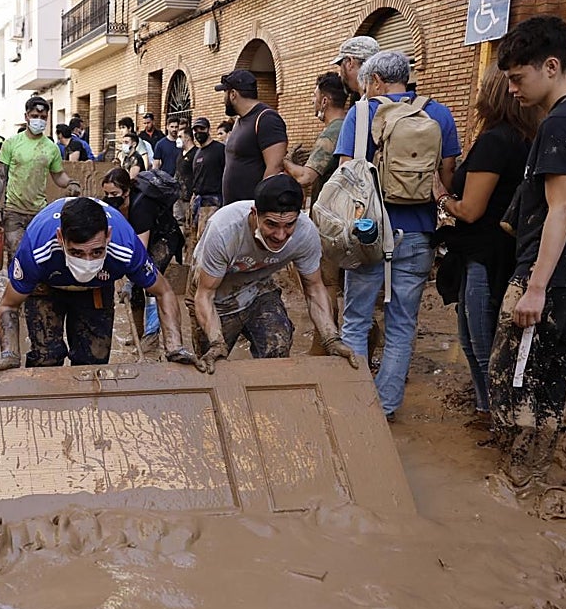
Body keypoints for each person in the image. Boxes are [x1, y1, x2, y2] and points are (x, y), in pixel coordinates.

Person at [488, 15, 566, 487]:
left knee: (517, 376)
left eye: (518, 78)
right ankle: (535, 472)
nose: (513, 89)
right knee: (550, 373)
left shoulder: (561, 123)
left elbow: (561, 209)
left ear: (551, 66)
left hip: (549, 274)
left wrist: (534, 288)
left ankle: (517, 479)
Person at [334, 50, 461, 421]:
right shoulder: (438, 113)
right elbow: (448, 172)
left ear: (374, 81)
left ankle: (355, 407)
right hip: (419, 233)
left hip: (369, 232)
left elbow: (346, 174)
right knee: (402, 324)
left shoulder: (361, 114)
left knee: (356, 320)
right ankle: (385, 408)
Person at [0, 197, 198, 379]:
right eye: (77, 252)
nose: (87, 261)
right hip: (46, 286)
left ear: (109, 236)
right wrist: (9, 355)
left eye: (96, 252)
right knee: (45, 359)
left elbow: (164, 292)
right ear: (60, 238)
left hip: (97, 288)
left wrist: (175, 347)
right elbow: (8, 306)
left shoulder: (126, 247)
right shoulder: (37, 248)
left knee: (93, 362)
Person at [433, 63, 539, 426]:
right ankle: (487, 408)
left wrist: (441, 196)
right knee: (476, 338)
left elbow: (471, 209)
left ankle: (496, 415)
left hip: (483, 255)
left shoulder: (496, 140)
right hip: (499, 252)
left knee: (480, 342)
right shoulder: (524, 137)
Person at [187, 175, 357, 371]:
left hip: (258, 290)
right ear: (254, 213)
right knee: (212, 366)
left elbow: (314, 288)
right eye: (271, 224)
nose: (280, 235)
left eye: (289, 225)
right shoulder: (224, 230)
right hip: (215, 299)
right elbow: (205, 294)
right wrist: (217, 342)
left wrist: (331, 339)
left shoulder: (305, 233)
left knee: (278, 345)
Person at [285, 73, 349, 354]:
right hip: (348, 218)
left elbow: (306, 177)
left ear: (324, 100)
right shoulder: (352, 124)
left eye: (314, 96)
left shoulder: (333, 130)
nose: (312, 101)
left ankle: (324, 345)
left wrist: (283, 162)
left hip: (331, 221)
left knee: (326, 284)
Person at [101, 167, 183, 353]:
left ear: (127, 191)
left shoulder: (141, 206)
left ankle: (151, 338)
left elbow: (141, 252)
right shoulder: (114, 206)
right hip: (143, 238)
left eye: (114, 193)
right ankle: (138, 334)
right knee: (136, 288)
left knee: (149, 282)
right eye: (106, 193)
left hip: (163, 238)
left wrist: (130, 279)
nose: (110, 197)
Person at [0, 96, 81, 262]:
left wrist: (71, 182)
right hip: (13, 211)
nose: (39, 120)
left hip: (39, 212)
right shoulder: (11, 143)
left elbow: (58, 175)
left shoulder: (51, 148)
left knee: (39, 257)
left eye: (43, 117)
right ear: (26, 117)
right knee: (17, 255)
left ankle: (36, 288)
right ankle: (15, 287)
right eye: (35, 116)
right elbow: (0, 176)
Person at [216, 68, 288, 205]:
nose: (223, 100)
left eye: (224, 93)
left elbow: (275, 167)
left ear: (233, 94)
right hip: (234, 210)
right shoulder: (239, 120)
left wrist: (260, 206)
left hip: (251, 211)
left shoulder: (266, 118)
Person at [183, 116, 225, 260]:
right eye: (195, 130)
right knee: (193, 239)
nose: (198, 132)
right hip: (197, 201)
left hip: (212, 203)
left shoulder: (220, 150)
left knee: (206, 241)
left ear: (208, 130)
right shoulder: (198, 153)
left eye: (201, 129)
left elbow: (226, 174)